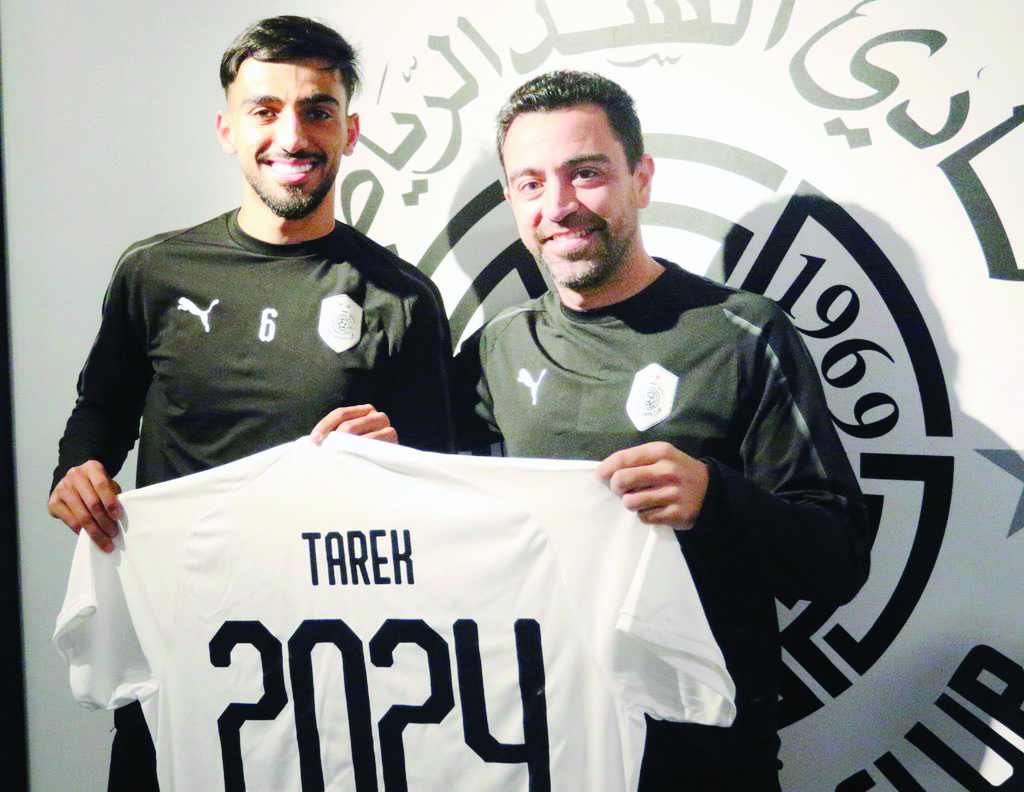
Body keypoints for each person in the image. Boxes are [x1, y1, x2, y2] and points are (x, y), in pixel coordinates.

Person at [47, 16, 453, 791]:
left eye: (317, 110)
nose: (292, 134)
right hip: (179, 645)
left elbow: (445, 485)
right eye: (265, 110)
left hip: (338, 664)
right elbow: (100, 410)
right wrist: (79, 469)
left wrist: (392, 454)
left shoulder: (402, 298)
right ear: (228, 129)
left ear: (350, 130)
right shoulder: (155, 273)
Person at [450, 70, 873, 790]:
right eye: (530, 183)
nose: (558, 206)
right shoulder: (495, 350)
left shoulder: (745, 335)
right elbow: (448, 533)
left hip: (706, 761)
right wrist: (369, 463)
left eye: (586, 174)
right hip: (541, 749)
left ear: (640, 179)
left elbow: (837, 560)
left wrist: (716, 498)